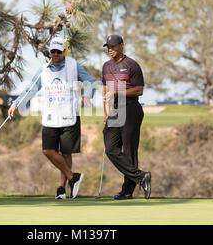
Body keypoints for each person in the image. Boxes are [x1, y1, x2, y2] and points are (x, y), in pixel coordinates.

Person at [8, 37, 95, 199]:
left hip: (70, 114)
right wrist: (16, 104)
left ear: (63, 51)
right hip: (51, 116)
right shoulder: (43, 69)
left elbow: (89, 81)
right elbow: (31, 89)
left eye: (58, 51)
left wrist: (88, 96)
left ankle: (61, 189)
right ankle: (72, 177)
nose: (55, 54)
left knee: (66, 152)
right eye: (53, 51)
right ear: (50, 52)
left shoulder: (73, 65)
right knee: (48, 150)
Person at [101, 34, 151, 200]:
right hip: (114, 111)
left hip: (130, 108)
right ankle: (141, 176)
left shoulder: (132, 65)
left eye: (113, 46)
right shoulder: (106, 66)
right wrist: (106, 112)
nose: (110, 49)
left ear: (122, 46)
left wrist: (117, 92)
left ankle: (127, 190)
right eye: (108, 47)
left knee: (129, 151)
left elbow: (139, 90)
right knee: (111, 149)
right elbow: (104, 91)